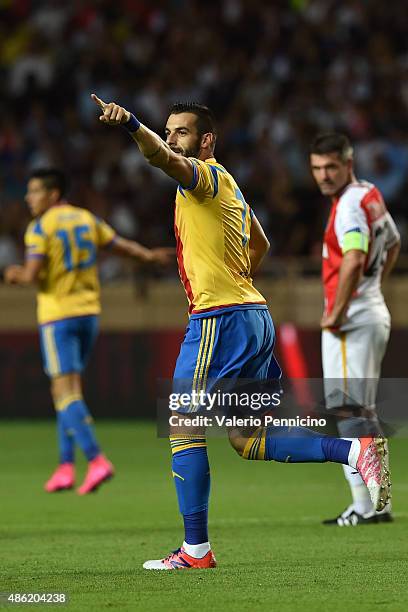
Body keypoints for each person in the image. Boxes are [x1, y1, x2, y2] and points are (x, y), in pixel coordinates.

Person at [91, 94, 390, 569]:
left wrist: (130, 123)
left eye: (181, 132)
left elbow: (161, 158)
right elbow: (262, 242)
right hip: (252, 316)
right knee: (248, 439)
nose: (172, 139)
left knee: (182, 423)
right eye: (167, 130)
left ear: (205, 140)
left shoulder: (204, 177)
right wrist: (237, 282)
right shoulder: (230, 184)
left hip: (220, 319)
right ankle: (354, 448)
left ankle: (196, 551)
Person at [5, 168, 173, 495]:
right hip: (88, 315)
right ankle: (65, 467)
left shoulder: (39, 228)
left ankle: (96, 459)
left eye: (35, 191)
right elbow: (120, 245)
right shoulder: (85, 219)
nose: (29, 198)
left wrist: (12, 274)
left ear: (53, 194)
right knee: (68, 391)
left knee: (64, 391)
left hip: (58, 316)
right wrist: (150, 256)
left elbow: (31, 275)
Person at [310, 133, 401, 526]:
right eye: (316, 168)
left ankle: (364, 508)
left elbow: (353, 258)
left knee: (348, 413)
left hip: (352, 321)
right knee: (362, 412)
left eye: (331, 167)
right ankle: (379, 506)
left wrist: (339, 310)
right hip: (372, 312)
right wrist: (372, 289)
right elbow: (394, 242)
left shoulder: (348, 206)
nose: (323, 176)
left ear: (349, 163)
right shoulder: (368, 193)